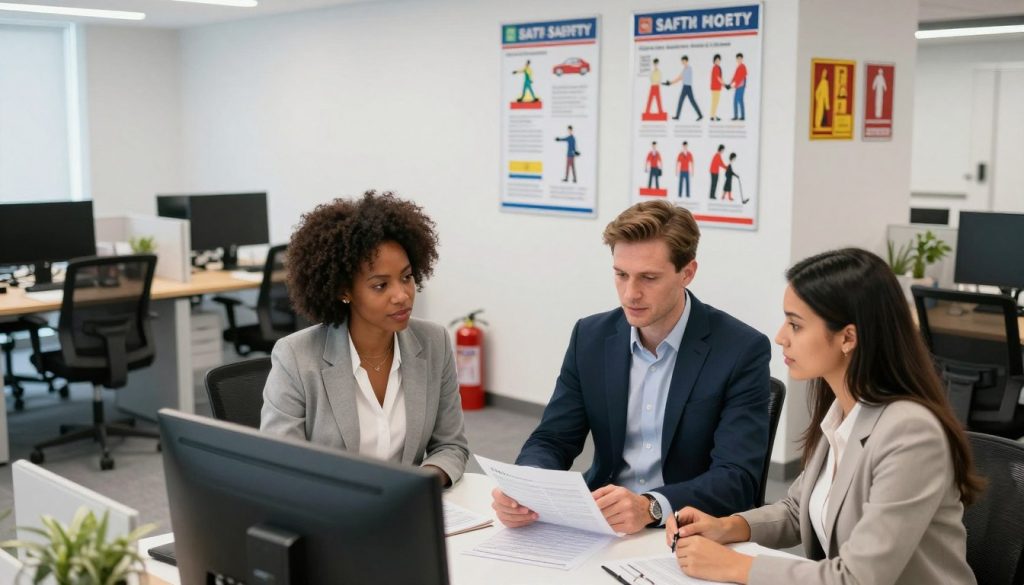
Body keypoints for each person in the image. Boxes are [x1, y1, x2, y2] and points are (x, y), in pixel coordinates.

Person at [665, 248, 982, 585]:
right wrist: (726, 526)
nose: (780, 337)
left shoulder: (910, 434)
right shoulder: (842, 413)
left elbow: (857, 578)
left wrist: (732, 566)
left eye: (795, 325)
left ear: (848, 338)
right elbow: (795, 510)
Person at [492, 200, 771, 535]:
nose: (630, 293)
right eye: (621, 275)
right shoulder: (591, 337)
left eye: (649, 278)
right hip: (603, 522)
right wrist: (527, 487)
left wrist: (651, 506)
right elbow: (553, 438)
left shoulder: (740, 349)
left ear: (688, 272)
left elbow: (737, 478)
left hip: (690, 528)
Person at [261, 191, 469, 487]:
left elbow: (451, 446)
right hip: (330, 515)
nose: (402, 295)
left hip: (407, 513)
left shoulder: (434, 342)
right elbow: (280, 464)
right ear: (344, 291)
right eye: (380, 285)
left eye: (407, 277)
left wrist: (419, 486)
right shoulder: (296, 356)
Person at [664, 55, 703, 121]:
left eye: (684, 61)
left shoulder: (689, 68)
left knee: (692, 101)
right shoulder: (684, 69)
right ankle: (677, 116)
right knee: (680, 101)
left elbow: (680, 78)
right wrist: (670, 83)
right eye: (682, 62)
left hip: (688, 87)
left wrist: (671, 83)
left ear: (687, 61)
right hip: (684, 87)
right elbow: (679, 77)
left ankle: (700, 115)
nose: (683, 63)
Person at [726, 53, 747, 121]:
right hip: (738, 86)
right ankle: (740, 116)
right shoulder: (738, 67)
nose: (739, 60)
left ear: (742, 59)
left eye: (740, 58)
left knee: (737, 101)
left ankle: (738, 116)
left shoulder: (743, 67)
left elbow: (739, 79)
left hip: (740, 86)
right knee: (739, 101)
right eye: (738, 59)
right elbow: (735, 77)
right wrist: (730, 84)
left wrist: (731, 86)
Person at [709, 54, 725, 122]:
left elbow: (720, 77)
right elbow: (718, 78)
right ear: (714, 61)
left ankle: (712, 115)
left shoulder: (717, 67)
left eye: (719, 60)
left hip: (716, 87)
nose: (718, 61)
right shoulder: (716, 68)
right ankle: (713, 116)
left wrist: (724, 84)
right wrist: (724, 84)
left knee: (714, 102)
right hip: (716, 88)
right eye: (716, 60)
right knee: (715, 102)